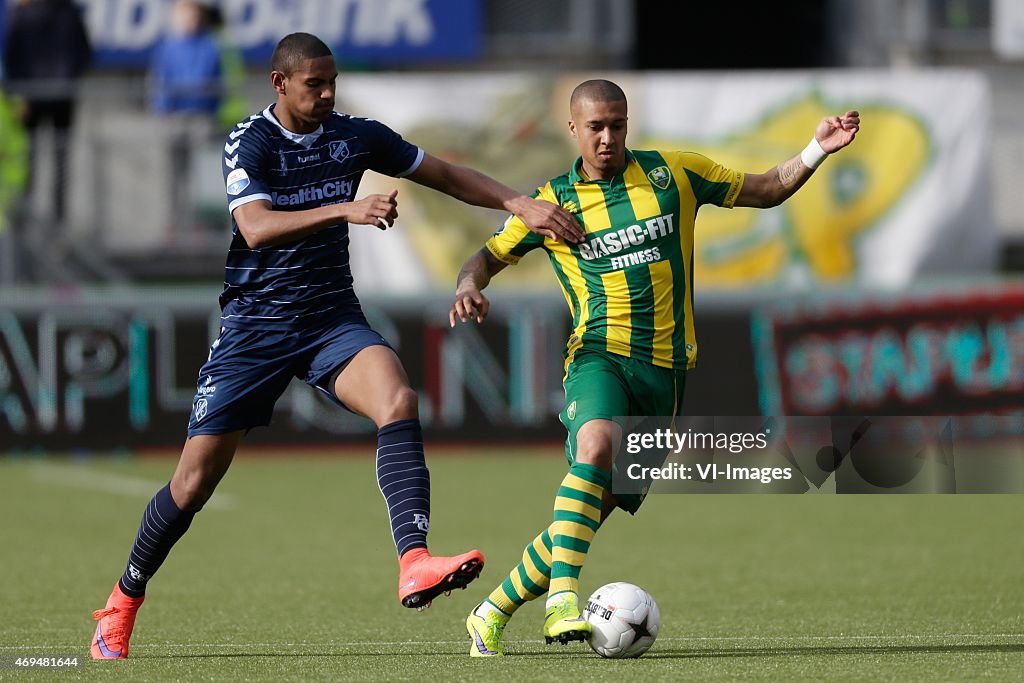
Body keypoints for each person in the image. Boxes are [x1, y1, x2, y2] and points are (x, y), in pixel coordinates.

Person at [88, 32, 583, 661]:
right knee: (192, 481)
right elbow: (256, 226)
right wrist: (343, 208)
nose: (326, 95)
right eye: (313, 85)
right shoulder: (250, 140)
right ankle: (121, 604)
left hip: (329, 319)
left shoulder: (356, 135)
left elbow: (446, 173)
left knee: (398, 399)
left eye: (332, 84)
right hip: (255, 330)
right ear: (279, 83)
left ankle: (414, 561)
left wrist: (519, 202)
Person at [450, 79, 859, 656]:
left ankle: (491, 611)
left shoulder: (675, 174)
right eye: (596, 127)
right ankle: (562, 599)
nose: (608, 137)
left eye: (617, 124)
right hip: (599, 356)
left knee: (588, 513)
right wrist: (469, 285)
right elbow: (485, 258)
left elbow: (766, 190)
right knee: (594, 445)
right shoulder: (551, 202)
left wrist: (816, 148)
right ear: (573, 129)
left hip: (665, 377)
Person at [1, 0, 91, 229]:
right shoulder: (65, 11)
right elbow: (84, 54)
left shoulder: (29, 13)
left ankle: (31, 223)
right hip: (50, 98)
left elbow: (13, 58)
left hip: (39, 98)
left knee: (38, 163)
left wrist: (21, 94)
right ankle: (52, 222)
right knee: (46, 163)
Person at [147, 0, 223, 240]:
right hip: (174, 120)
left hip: (201, 118)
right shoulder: (167, 47)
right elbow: (159, 82)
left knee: (200, 177)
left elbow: (211, 79)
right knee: (172, 177)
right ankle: (173, 226)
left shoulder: (209, 46)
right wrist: (165, 110)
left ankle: (199, 227)